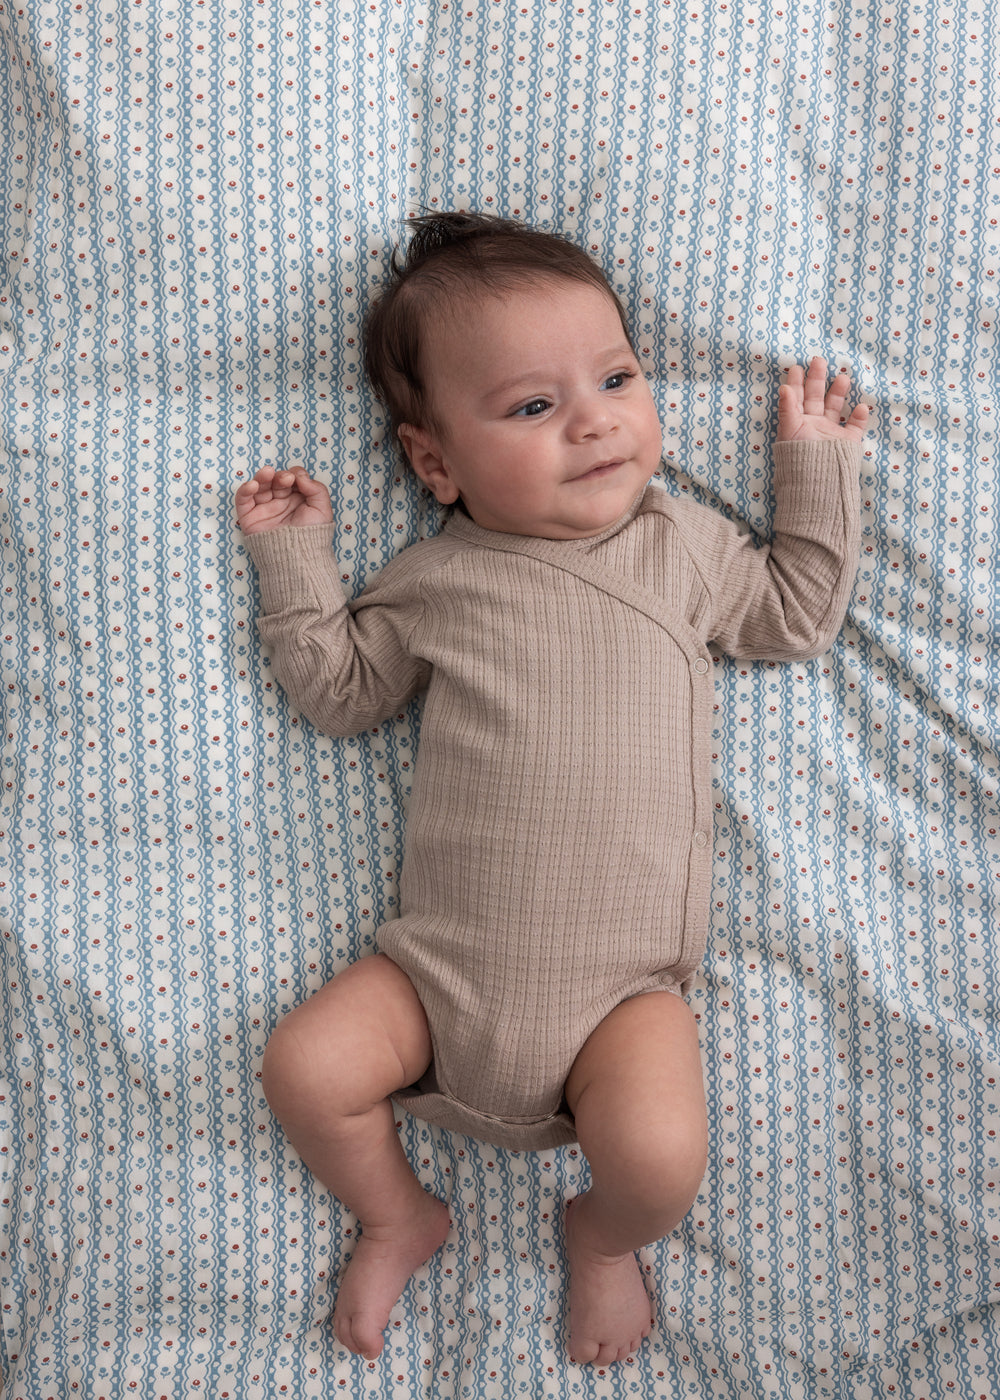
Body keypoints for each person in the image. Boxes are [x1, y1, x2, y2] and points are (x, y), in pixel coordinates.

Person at [234, 211, 868, 1367]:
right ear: (435, 462)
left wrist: (815, 467)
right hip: (434, 977)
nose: (593, 419)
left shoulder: (681, 545)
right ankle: (397, 1210)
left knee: (660, 1162)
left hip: (621, 1001)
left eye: (616, 378)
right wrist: (295, 558)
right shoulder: (435, 577)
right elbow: (340, 691)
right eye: (532, 405)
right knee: (305, 1066)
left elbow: (792, 612)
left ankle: (601, 1234)